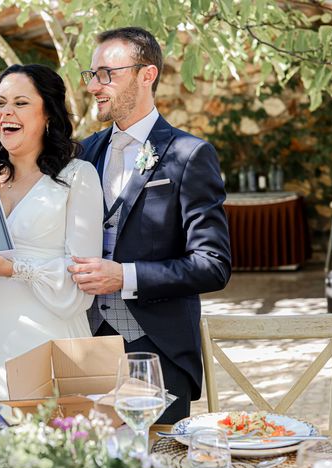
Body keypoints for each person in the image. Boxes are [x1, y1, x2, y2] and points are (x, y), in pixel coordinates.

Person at [69, 27, 231, 424]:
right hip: (83, 348)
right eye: (92, 75)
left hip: (157, 354)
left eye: (108, 73)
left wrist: (123, 276)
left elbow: (213, 264)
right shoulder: (82, 154)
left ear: (147, 75)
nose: (94, 86)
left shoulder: (189, 155)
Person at [0, 64, 103, 415]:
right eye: (0, 103)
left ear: (48, 115)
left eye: (21, 103)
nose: (6, 112)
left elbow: (83, 276)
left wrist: (14, 269)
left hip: (47, 337)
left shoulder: (78, 176)